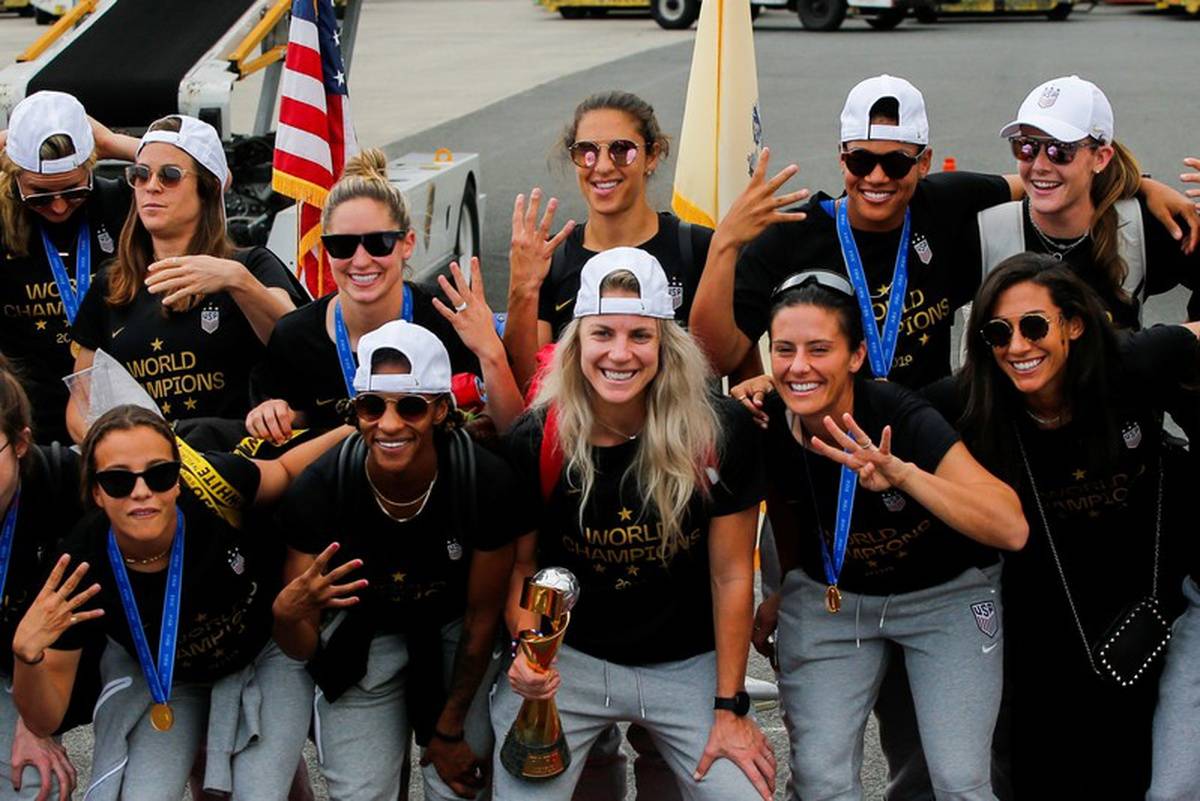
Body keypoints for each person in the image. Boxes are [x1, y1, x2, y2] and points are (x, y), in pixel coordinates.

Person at [493, 248, 774, 801]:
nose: (619, 353)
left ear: (666, 345)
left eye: (639, 336)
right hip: (571, 662)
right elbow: (523, 569)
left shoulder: (721, 431)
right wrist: (530, 653)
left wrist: (730, 705)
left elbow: (733, 577)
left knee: (743, 795)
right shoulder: (536, 438)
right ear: (575, 344)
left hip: (685, 662)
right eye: (602, 334)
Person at [745, 269, 1026, 801]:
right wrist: (787, 586)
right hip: (835, 599)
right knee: (821, 782)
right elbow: (786, 502)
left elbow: (1010, 526)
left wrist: (905, 475)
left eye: (819, 349)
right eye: (784, 349)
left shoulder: (900, 414)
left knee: (960, 781)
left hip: (944, 595)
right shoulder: (766, 422)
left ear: (854, 357)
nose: (799, 366)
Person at [944, 253, 1198, 800]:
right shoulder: (972, 400)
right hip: (1046, 624)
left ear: (1074, 324)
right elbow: (881, 408)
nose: (1017, 347)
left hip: (1153, 607)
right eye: (998, 331)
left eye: (1034, 326)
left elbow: (1189, 337)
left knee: (1159, 773)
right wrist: (773, 384)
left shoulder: (1131, 364)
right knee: (1045, 773)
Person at [10, 404, 349, 800]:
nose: (141, 492)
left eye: (159, 475)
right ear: (96, 493)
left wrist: (357, 427)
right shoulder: (78, 568)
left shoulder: (212, 486)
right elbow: (44, 719)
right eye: (119, 481)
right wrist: (26, 657)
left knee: (260, 794)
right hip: (170, 676)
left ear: (178, 480)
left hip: (266, 650)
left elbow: (289, 470)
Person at [273, 320, 527, 800]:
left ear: (440, 411)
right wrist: (286, 614)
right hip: (362, 634)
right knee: (360, 793)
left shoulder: (484, 482)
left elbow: (480, 619)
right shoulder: (321, 487)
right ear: (356, 411)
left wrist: (449, 728)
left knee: (457, 787)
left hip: (454, 630)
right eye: (372, 406)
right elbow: (303, 647)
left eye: (409, 407)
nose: (388, 424)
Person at [248, 148, 522, 441]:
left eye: (379, 242)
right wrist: (272, 415)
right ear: (326, 250)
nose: (362, 260)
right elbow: (285, 422)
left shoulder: (451, 321)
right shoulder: (294, 336)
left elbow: (512, 434)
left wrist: (492, 355)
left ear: (407, 243)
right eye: (343, 245)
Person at [67, 115, 304, 440]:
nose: (152, 186)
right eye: (140, 175)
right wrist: (116, 449)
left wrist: (238, 281)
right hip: (147, 469)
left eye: (170, 176)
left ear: (207, 189)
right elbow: (81, 401)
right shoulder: (113, 280)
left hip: (232, 458)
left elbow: (300, 342)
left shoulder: (249, 264)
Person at [504, 90, 757, 395]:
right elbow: (530, 387)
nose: (602, 166)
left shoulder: (701, 249)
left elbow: (741, 375)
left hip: (682, 438)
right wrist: (522, 289)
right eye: (586, 151)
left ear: (652, 155)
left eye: (622, 150)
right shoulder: (551, 259)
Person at [973, 75, 1200, 328]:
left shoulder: (1141, 225)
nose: (1039, 165)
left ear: (1101, 158)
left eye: (1059, 150)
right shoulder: (985, 230)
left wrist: (1180, 343)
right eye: (1025, 147)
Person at [0, 91, 138, 444]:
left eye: (75, 191)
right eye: (40, 195)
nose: (60, 207)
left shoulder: (119, 201)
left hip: (119, 406)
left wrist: (114, 142)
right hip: (25, 415)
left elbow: (213, 181)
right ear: (13, 177)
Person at [0, 360, 88, 800]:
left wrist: (36, 719)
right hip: (13, 661)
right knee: (27, 780)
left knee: (37, 782)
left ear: (20, 443)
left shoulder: (67, 484)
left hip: (93, 652)